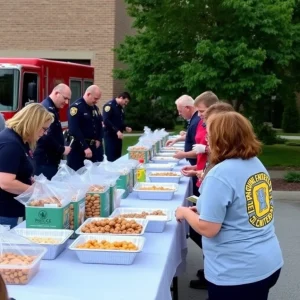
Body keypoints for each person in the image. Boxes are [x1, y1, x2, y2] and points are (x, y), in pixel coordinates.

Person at [175, 112, 283, 300]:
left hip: (237, 272)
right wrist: (202, 208)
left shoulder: (220, 174)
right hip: (267, 262)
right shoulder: (255, 163)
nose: (206, 140)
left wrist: (184, 212)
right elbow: (241, 206)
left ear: (221, 138)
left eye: (209, 135)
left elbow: (208, 229)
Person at [0, 103, 54, 228]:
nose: (45, 133)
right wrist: (36, 191)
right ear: (33, 123)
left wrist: (34, 182)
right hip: (4, 213)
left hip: (12, 210)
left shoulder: (21, 140)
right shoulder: (11, 143)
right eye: (44, 129)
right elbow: (5, 183)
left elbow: (19, 170)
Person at [33, 84, 72, 179]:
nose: (66, 102)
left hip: (50, 159)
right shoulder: (46, 109)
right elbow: (46, 135)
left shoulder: (52, 108)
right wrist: (61, 149)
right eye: (65, 98)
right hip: (45, 160)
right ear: (56, 93)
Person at [67, 85, 103, 171]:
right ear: (88, 94)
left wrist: (99, 139)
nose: (96, 101)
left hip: (93, 147)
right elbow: (74, 129)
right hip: (79, 148)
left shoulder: (95, 108)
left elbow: (100, 124)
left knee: (94, 174)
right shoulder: (76, 108)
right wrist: (85, 147)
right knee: (78, 175)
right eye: (95, 98)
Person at [103, 92, 132, 161]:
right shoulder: (109, 106)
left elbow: (119, 121)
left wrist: (125, 127)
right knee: (111, 157)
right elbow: (106, 120)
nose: (126, 104)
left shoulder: (120, 108)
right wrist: (117, 131)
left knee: (118, 157)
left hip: (118, 136)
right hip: (110, 136)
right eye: (125, 101)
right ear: (121, 98)